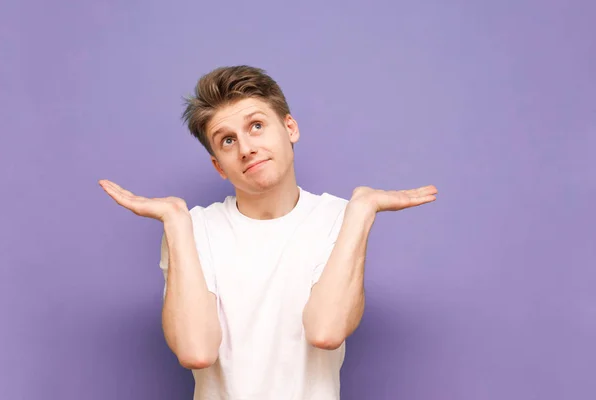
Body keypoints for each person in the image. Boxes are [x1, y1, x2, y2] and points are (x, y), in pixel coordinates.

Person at [98, 65, 438, 400]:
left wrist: (362, 211)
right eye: (227, 140)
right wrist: (174, 220)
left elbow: (326, 331)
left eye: (256, 126)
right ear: (219, 165)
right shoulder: (192, 228)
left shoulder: (340, 218)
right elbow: (195, 352)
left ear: (290, 127)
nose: (246, 148)